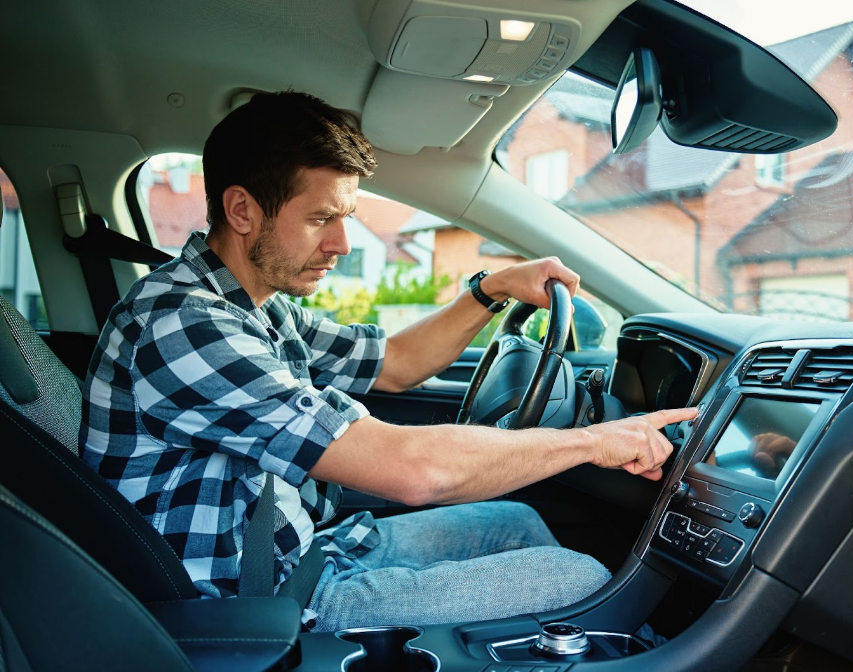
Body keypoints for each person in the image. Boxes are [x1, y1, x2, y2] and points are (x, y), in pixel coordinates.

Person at [80, 90, 697, 632]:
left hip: (305, 551)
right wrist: (591, 441)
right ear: (242, 211)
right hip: (256, 602)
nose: (341, 245)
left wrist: (493, 289)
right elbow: (415, 472)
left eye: (344, 218)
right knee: (578, 582)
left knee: (516, 522)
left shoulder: (255, 306)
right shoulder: (183, 324)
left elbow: (396, 363)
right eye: (321, 217)